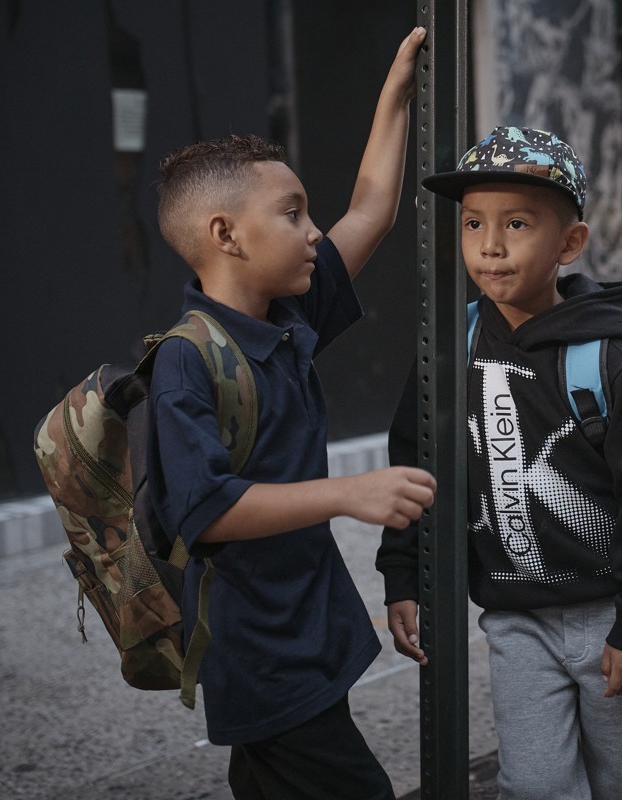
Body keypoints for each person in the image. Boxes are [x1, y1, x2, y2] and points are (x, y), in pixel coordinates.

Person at [145, 28, 436, 800]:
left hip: (306, 630)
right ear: (225, 235)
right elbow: (204, 510)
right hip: (261, 652)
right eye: (294, 213)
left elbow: (371, 210)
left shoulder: (287, 319)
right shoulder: (185, 360)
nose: (314, 231)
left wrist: (396, 94)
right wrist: (349, 492)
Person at [377, 126, 622, 799]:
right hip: (516, 621)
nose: (490, 244)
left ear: (570, 243)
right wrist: (404, 572)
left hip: (611, 616)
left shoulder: (610, 360)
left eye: (517, 223)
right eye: (474, 223)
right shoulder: (448, 348)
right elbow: (413, 463)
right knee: (537, 786)